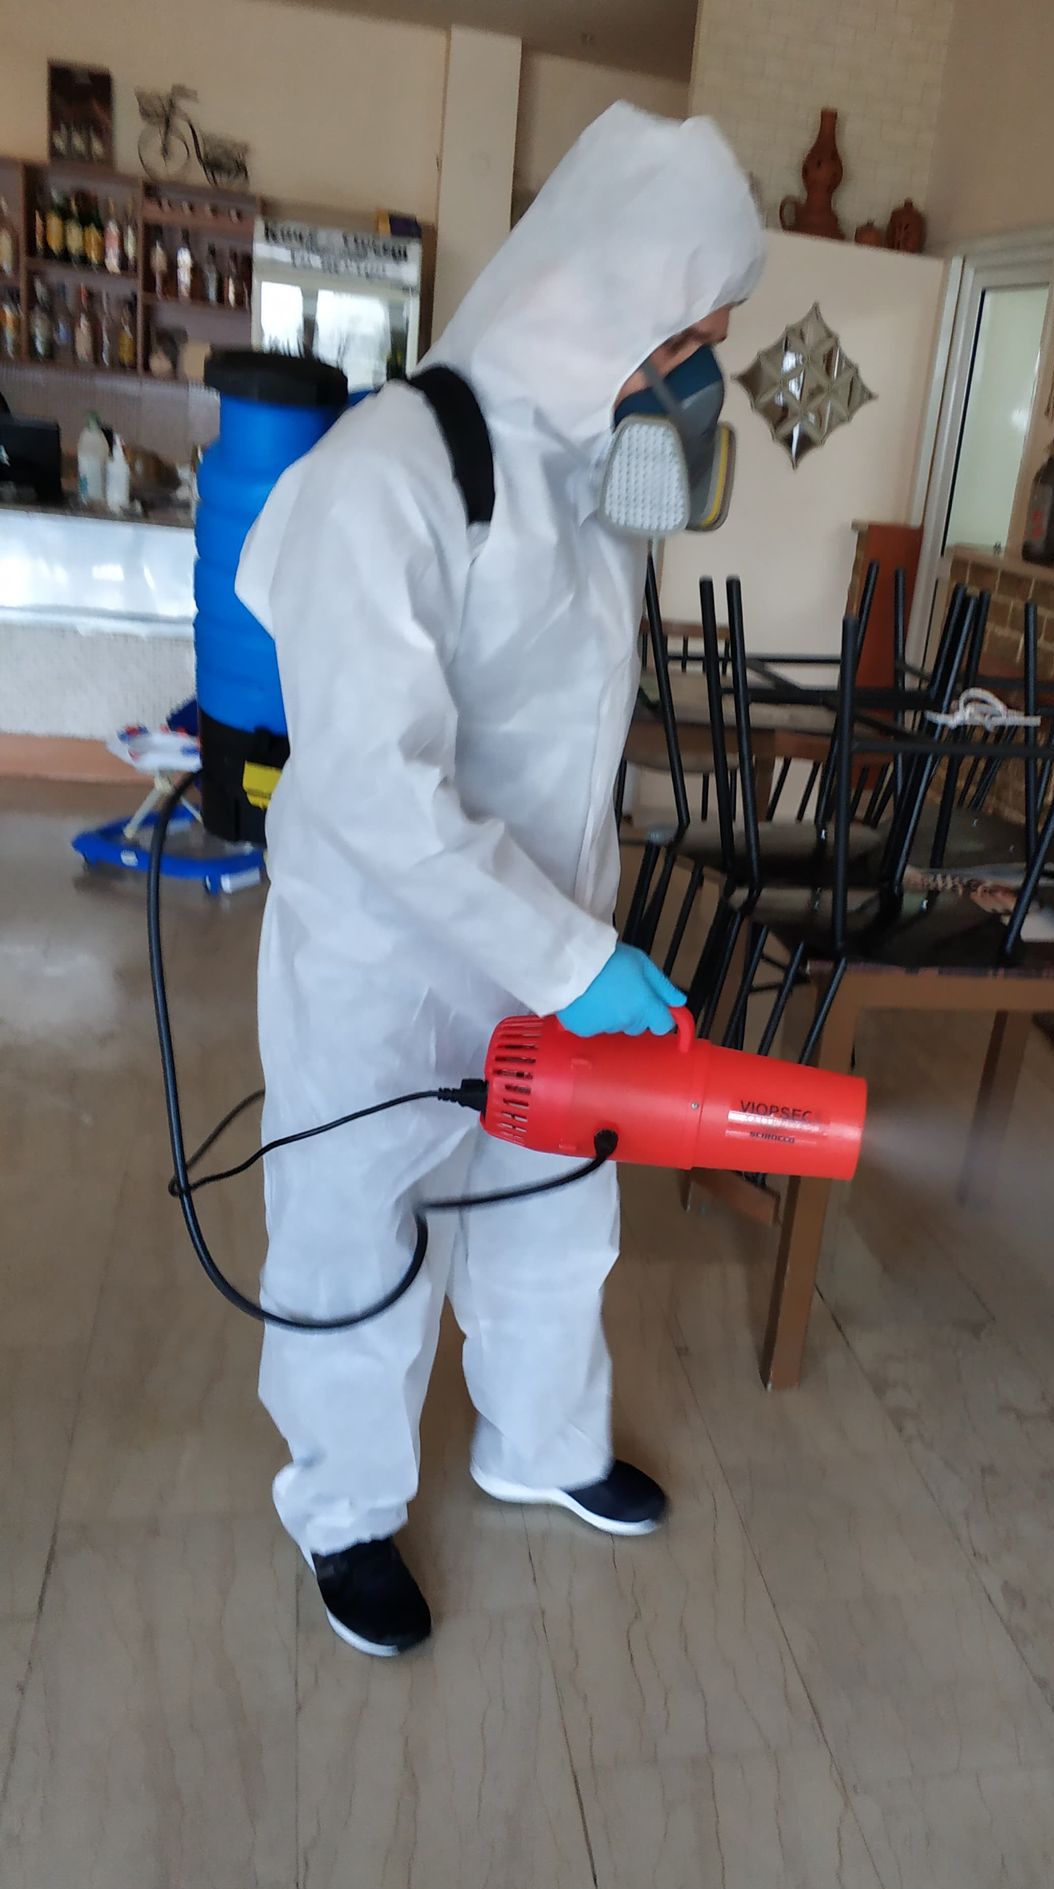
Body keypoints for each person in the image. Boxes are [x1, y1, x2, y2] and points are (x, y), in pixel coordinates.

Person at [234, 106, 765, 1657]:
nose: (702, 375)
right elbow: (371, 787)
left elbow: (564, 739)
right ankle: (346, 1510)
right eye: (691, 338)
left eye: (716, 345)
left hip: (546, 948)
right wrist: (572, 960)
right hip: (381, 964)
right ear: (603, 296)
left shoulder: (597, 487)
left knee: (551, 1206)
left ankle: (542, 1442)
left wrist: (576, 950)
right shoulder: (388, 474)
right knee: (359, 1232)